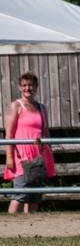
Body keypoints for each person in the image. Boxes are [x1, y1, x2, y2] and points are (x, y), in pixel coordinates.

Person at [4, 72, 56, 213]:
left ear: (36, 87)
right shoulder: (16, 106)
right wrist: (9, 157)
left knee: (34, 196)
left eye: (31, 85)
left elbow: (45, 131)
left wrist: (48, 151)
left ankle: (29, 229)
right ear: (20, 88)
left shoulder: (41, 108)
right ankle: (10, 227)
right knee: (20, 194)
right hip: (21, 155)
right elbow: (9, 134)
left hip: (38, 155)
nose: (28, 88)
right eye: (24, 85)